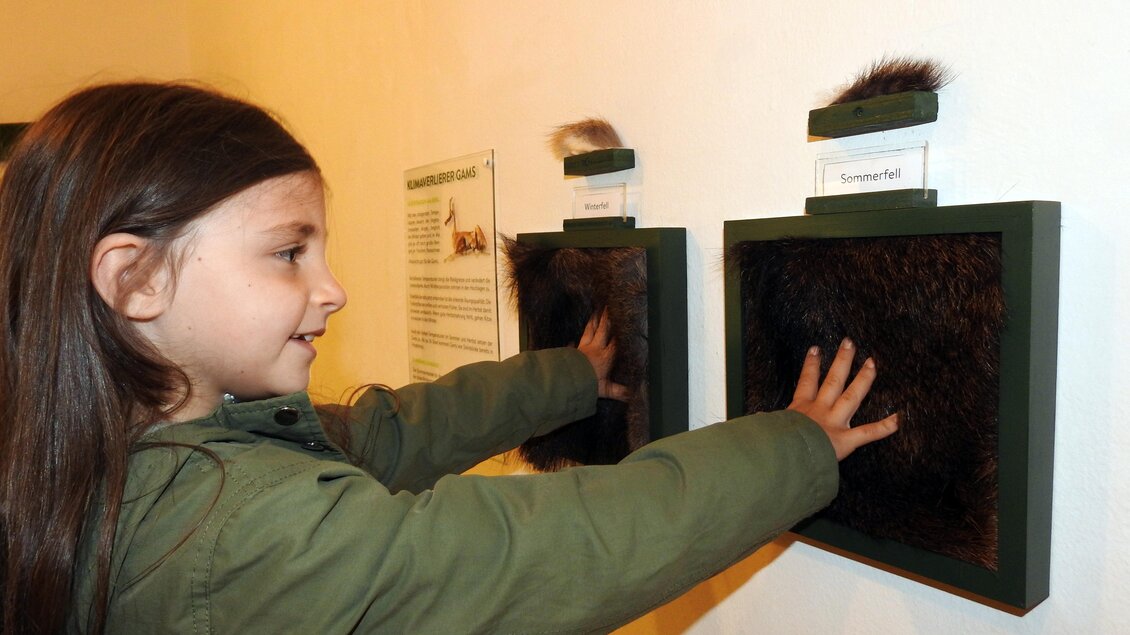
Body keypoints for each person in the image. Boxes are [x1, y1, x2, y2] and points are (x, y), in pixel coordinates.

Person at [0, 82, 898, 634]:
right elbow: (555, 548)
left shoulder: (121, 453)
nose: (332, 288)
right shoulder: (239, 534)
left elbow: (386, 433)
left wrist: (568, 377)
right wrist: (796, 444)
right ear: (136, 279)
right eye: (287, 252)